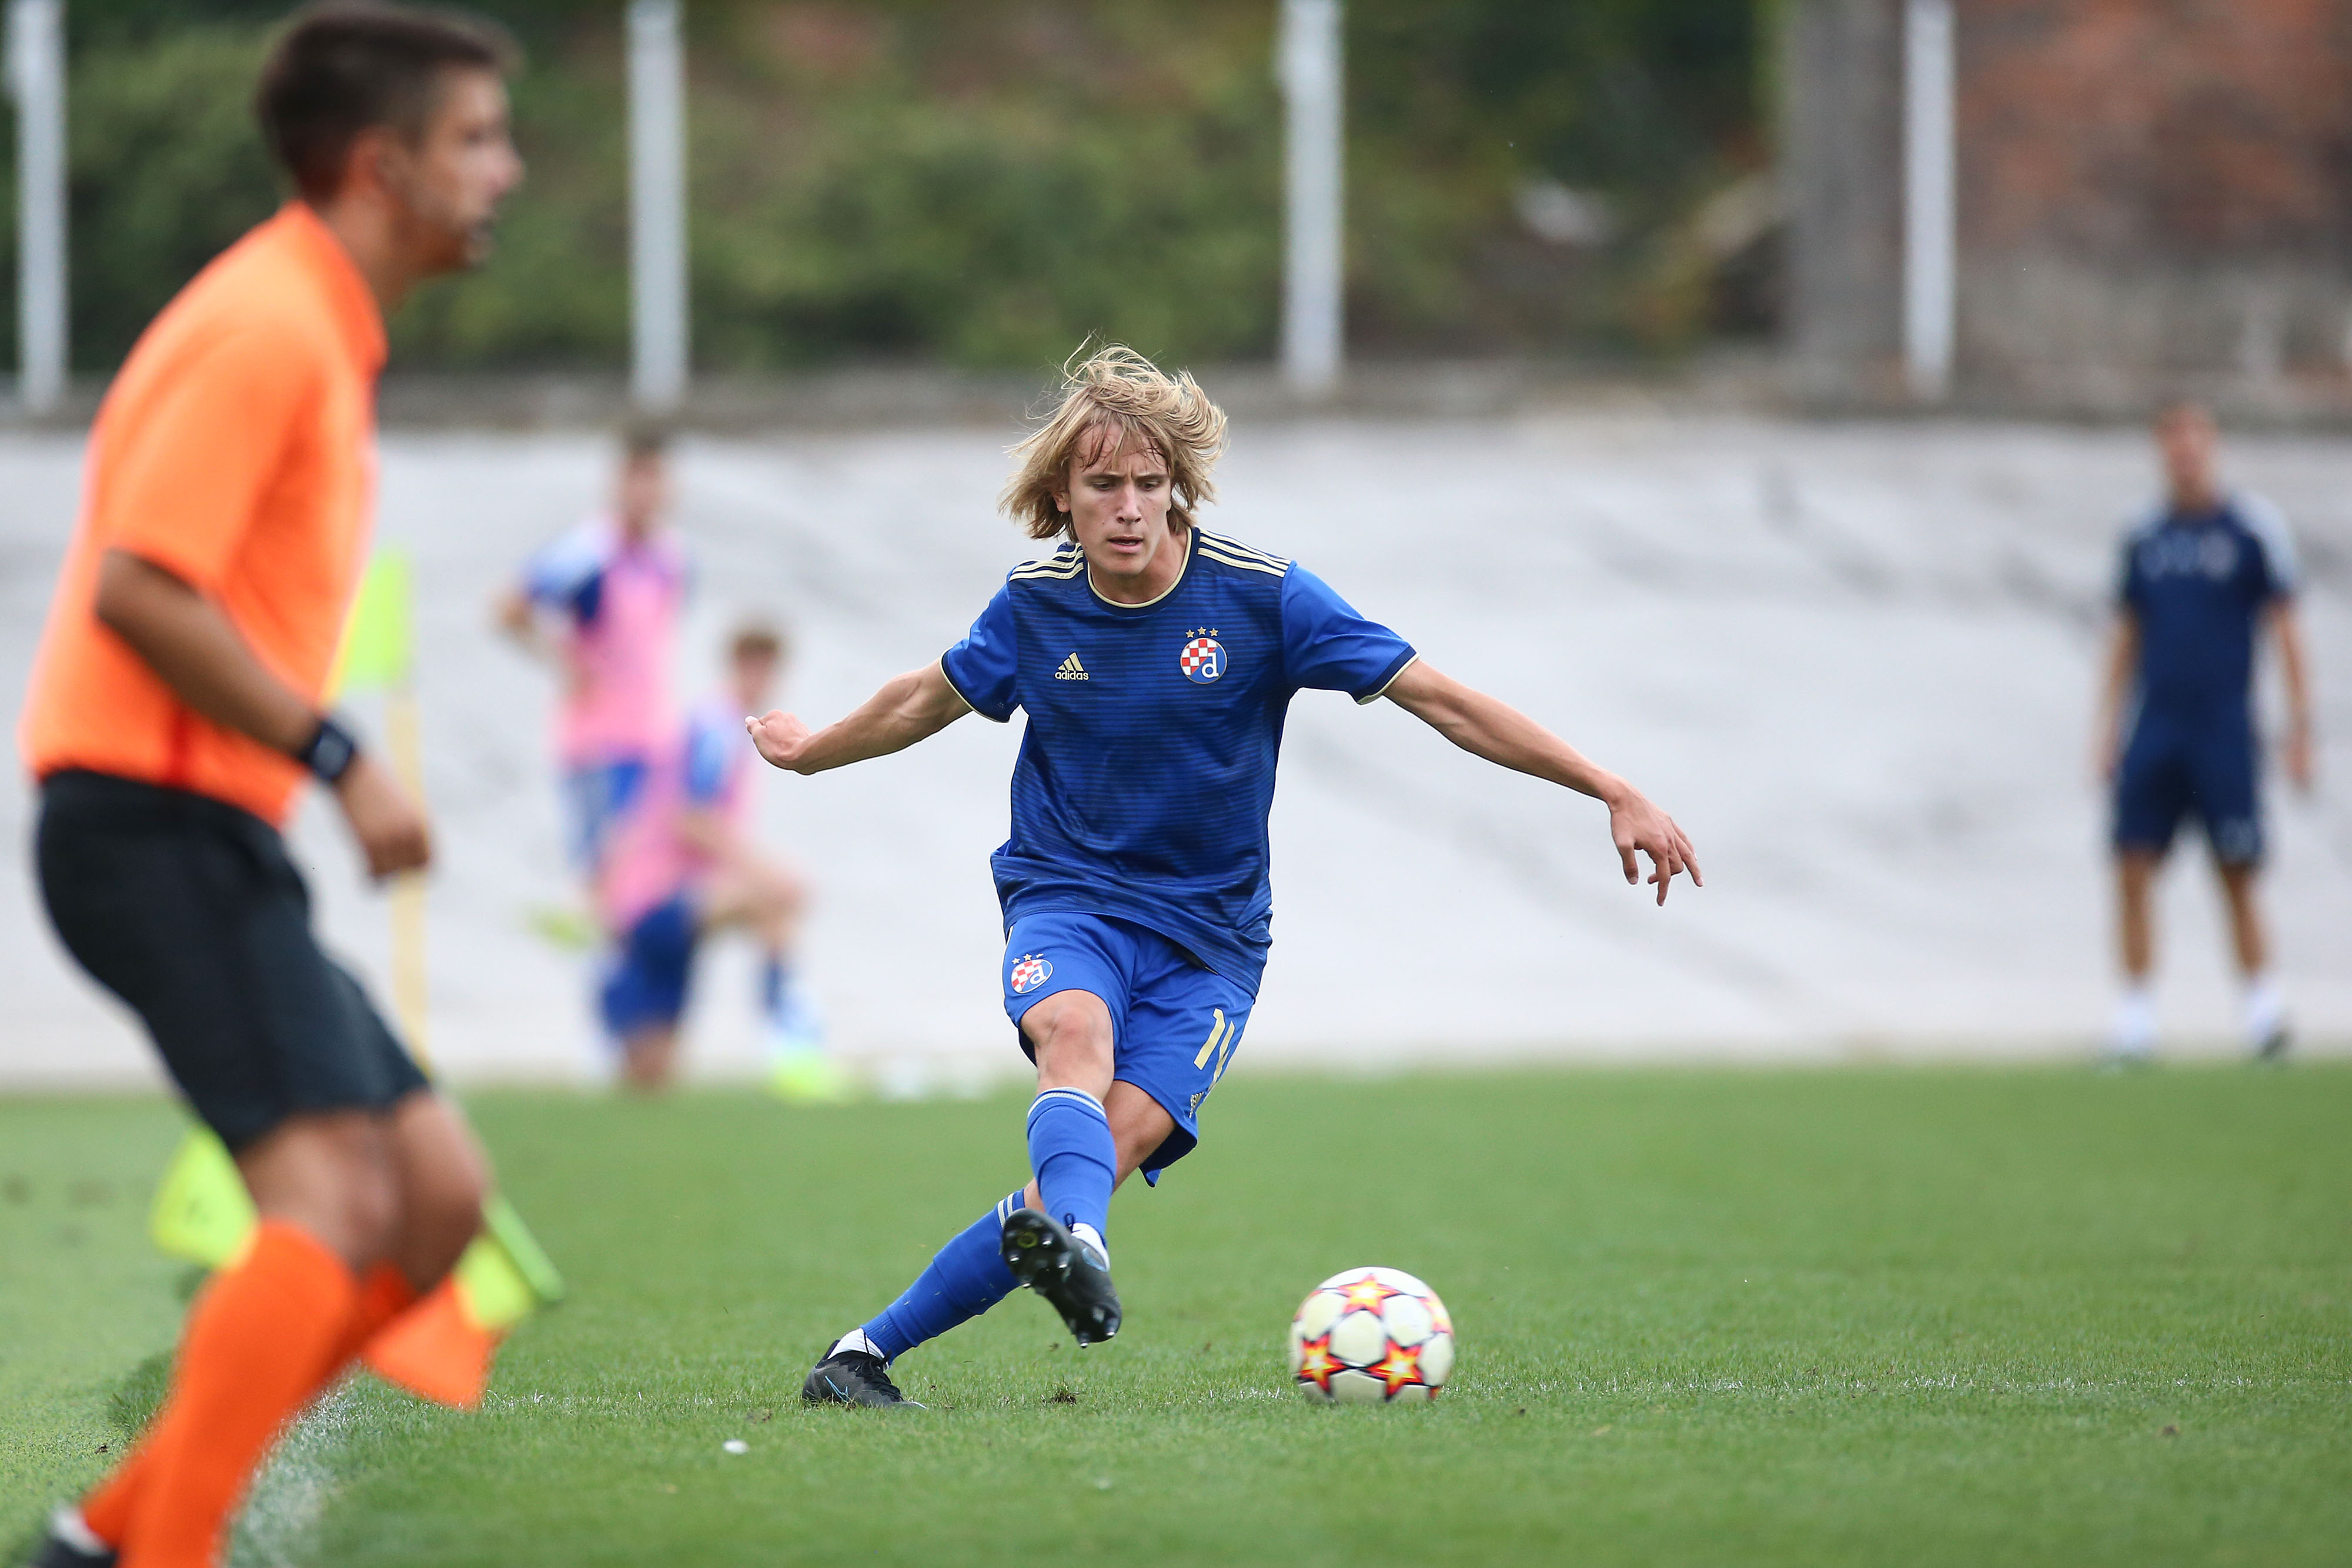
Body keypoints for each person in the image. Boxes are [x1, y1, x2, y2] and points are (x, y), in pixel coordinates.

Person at [750, 346, 1700, 1407]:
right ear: (1062, 493)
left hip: (1212, 943)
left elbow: (1440, 697)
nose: (1128, 508)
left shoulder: (1263, 597)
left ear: (1177, 488)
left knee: (1092, 1159)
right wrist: (812, 750)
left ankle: (861, 1356)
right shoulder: (1034, 606)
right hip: (1069, 897)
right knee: (1072, 1035)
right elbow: (922, 697)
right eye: (1103, 484)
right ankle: (1083, 1246)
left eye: (1148, 483)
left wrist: (1607, 783)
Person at [18, 7, 523, 1566]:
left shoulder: (315, 322)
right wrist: (340, 757)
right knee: (329, 1202)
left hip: (202, 828)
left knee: (434, 1199)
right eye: (475, 140)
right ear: (382, 167)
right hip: (145, 816)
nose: (505, 171)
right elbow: (140, 587)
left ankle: (107, 1534)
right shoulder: (270, 327)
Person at [2093, 400, 2314, 1064]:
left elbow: (2285, 628)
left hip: (2223, 724)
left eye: (2195, 440)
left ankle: (2263, 1014)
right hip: (2157, 723)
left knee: (2236, 868)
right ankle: (2134, 1021)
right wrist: (2105, 728)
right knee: (2132, 863)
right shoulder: (2144, 535)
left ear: (2211, 447)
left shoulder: (2249, 530)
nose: (2184, 453)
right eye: (2173, 441)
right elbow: (2125, 634)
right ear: (2161, 450)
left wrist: (2300, 728)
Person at [595, 624, 827, 1094]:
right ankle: (793, 1053)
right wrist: (766, 872)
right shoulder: (718, 725)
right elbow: (692, 817)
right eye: (757, 667)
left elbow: (646, 806)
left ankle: (615, 992)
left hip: (662, 895)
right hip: (661, 896)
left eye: (771, 670)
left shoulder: (710, 722)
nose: (764, 681)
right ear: (738, 665)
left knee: (650, 1076)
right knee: (776, 902)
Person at [496, 420, 689, 877]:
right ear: (617, 482)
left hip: (652, 740)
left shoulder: (672, 557)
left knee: (649, 877)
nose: (646, 491)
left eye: (655, 478)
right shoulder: (589, 551)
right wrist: (566, 666)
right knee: (608, 876)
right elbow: (509, 609)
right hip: (598, 741)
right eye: (636, 477)